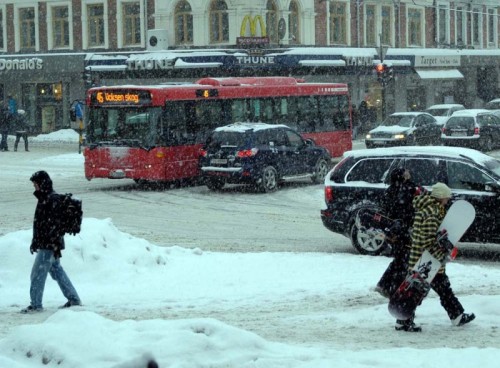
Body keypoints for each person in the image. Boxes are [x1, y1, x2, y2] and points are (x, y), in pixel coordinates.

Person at [395, 182, 475, 332]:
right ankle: (403, 321)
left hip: (428, 261)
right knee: (417, 292)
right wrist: (442, 251)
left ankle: (456, 315)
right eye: (446, 197)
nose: (448, 200)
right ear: (441, 197)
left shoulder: (430, 209)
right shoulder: (432, 213)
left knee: (437, 289)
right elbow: (428, 240)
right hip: (426, 261)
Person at [21, 171, 82, 313]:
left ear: (42, 184)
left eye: (35, 184)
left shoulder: (51, 199)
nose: (34, 187)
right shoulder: (45, 198)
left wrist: (52, 245)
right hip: (50, 244)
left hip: (49, 245)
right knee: (57, 272)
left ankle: (36, 305)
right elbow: (41, 224)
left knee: (37, 274)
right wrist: (35, 242)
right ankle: (74, 299)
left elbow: (53, 225)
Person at [374, 168, 418, 298]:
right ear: (402, 177)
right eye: (406, 173)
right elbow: (406, 210)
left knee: (399, 259)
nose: (409, 173)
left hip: (393, 230)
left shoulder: (390, 191)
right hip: (402, 231)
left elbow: (386, 211)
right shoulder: (406, 190)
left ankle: (384, 285)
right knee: (403, 260)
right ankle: (393, 288)